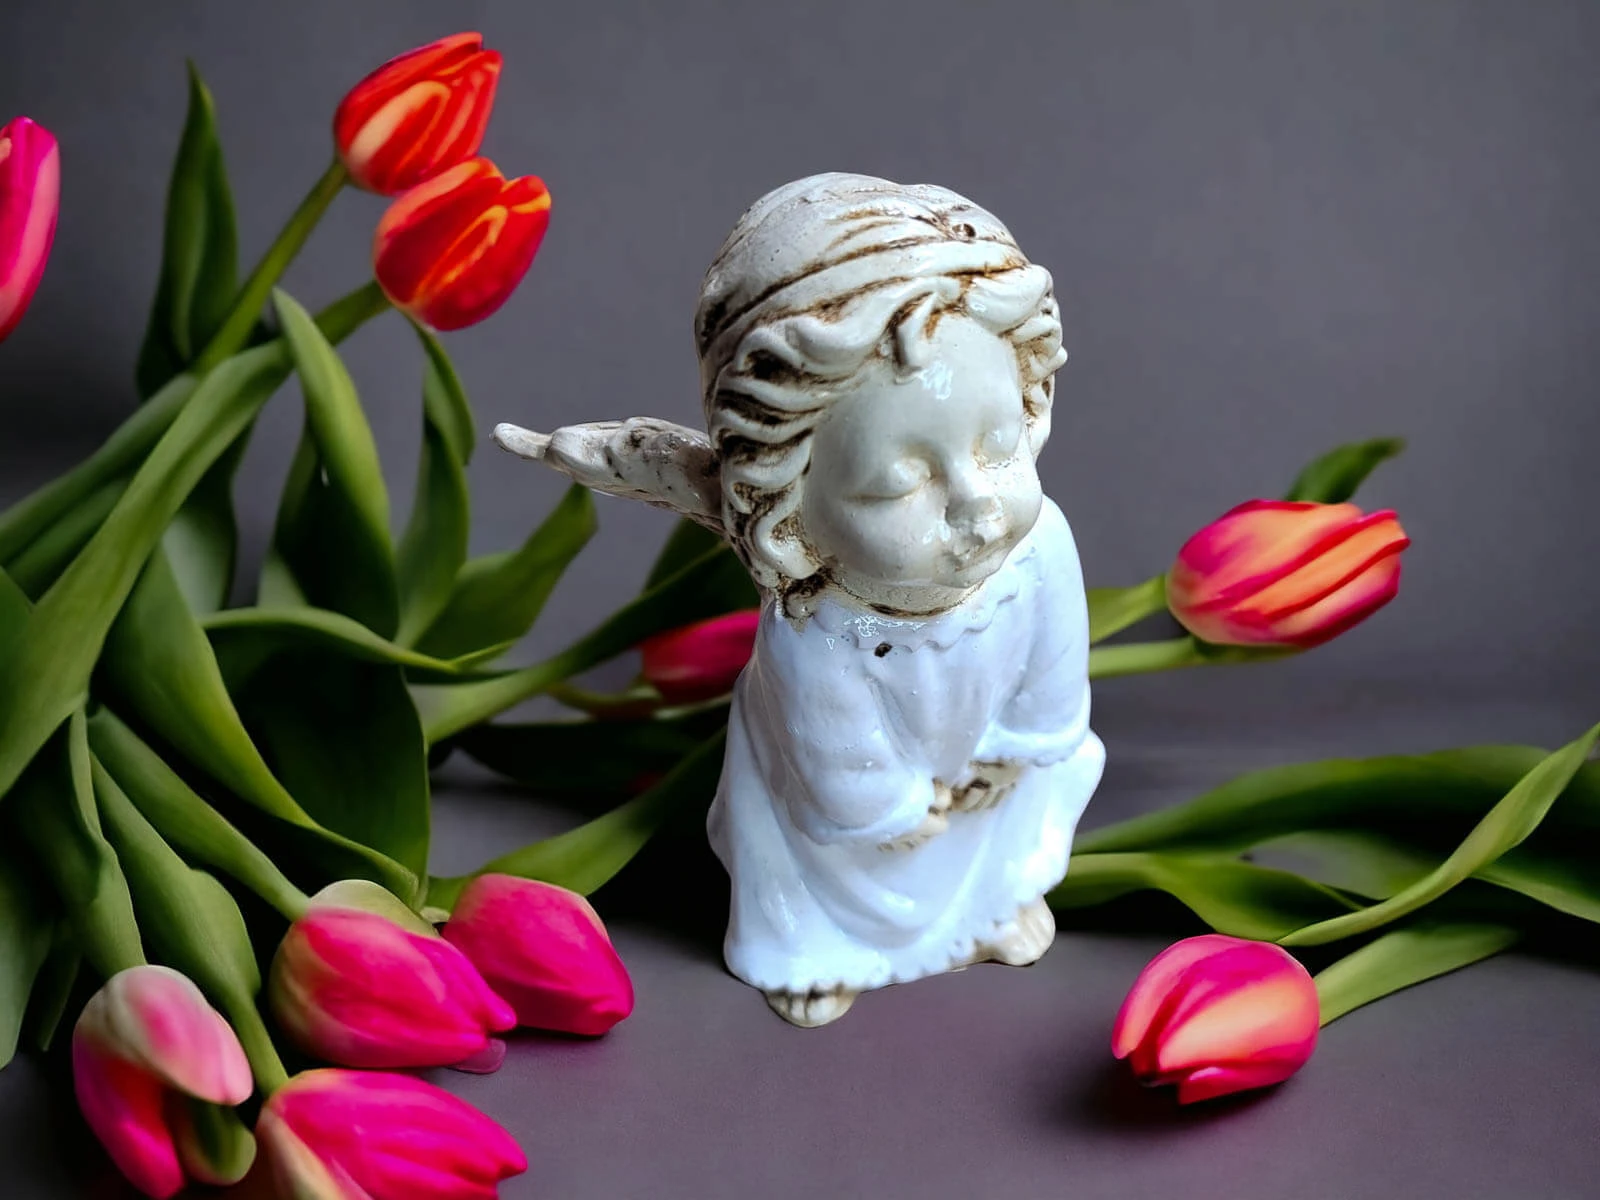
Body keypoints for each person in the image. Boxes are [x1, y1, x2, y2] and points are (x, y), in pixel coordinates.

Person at [494, 173, 1106, 1026]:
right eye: (898, 485)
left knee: (1023, 802)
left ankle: (989, 906)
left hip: (985, 773)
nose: (976, 505)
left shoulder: (1040, 548)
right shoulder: (818, 621)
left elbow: (1053, 673)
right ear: (791, 503)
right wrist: (892, 810)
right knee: (818, 848)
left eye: (999, 444)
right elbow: (836, 760)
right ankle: (818, 947)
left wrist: (1019, 747)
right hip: (850, 812)